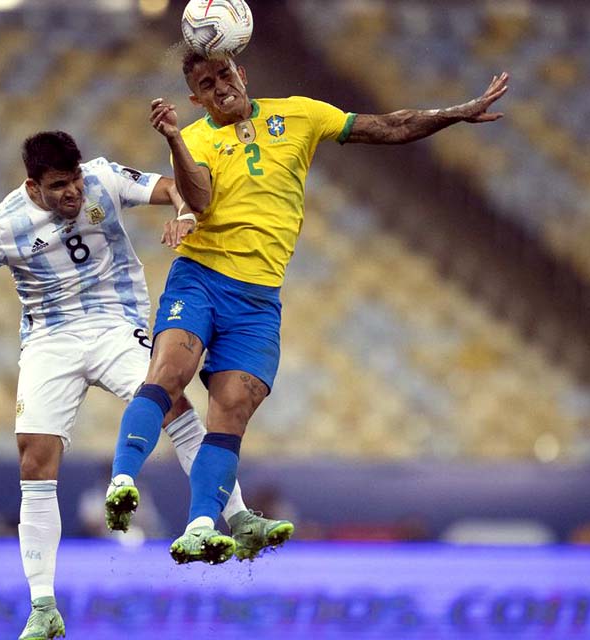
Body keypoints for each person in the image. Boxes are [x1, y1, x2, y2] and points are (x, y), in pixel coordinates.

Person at [107, 50, 509, 565]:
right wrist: (174, 138)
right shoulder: (198, 138)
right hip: (202, 278)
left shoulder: (299, 114)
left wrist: (454, 113)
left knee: (231, 410)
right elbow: (200, 201)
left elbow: (389, 126)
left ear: (242, 73)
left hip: (258, 300)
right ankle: (122, 480)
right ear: (196, 98)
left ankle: (202, 525)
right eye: (206, 85)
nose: (219, 87)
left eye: (224, 75)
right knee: (169, 373)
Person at [0, 131, 284, 640]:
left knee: (173, 404)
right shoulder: (1, 225)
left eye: (75, 179)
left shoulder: (104, 176)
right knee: (34, 458)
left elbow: (176, 187)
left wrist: (185, 211)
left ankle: (239, 518)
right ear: (33, 187)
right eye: (59, 185)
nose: (73, 192)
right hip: (49, 339)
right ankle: (43, 608)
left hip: (115, 324)